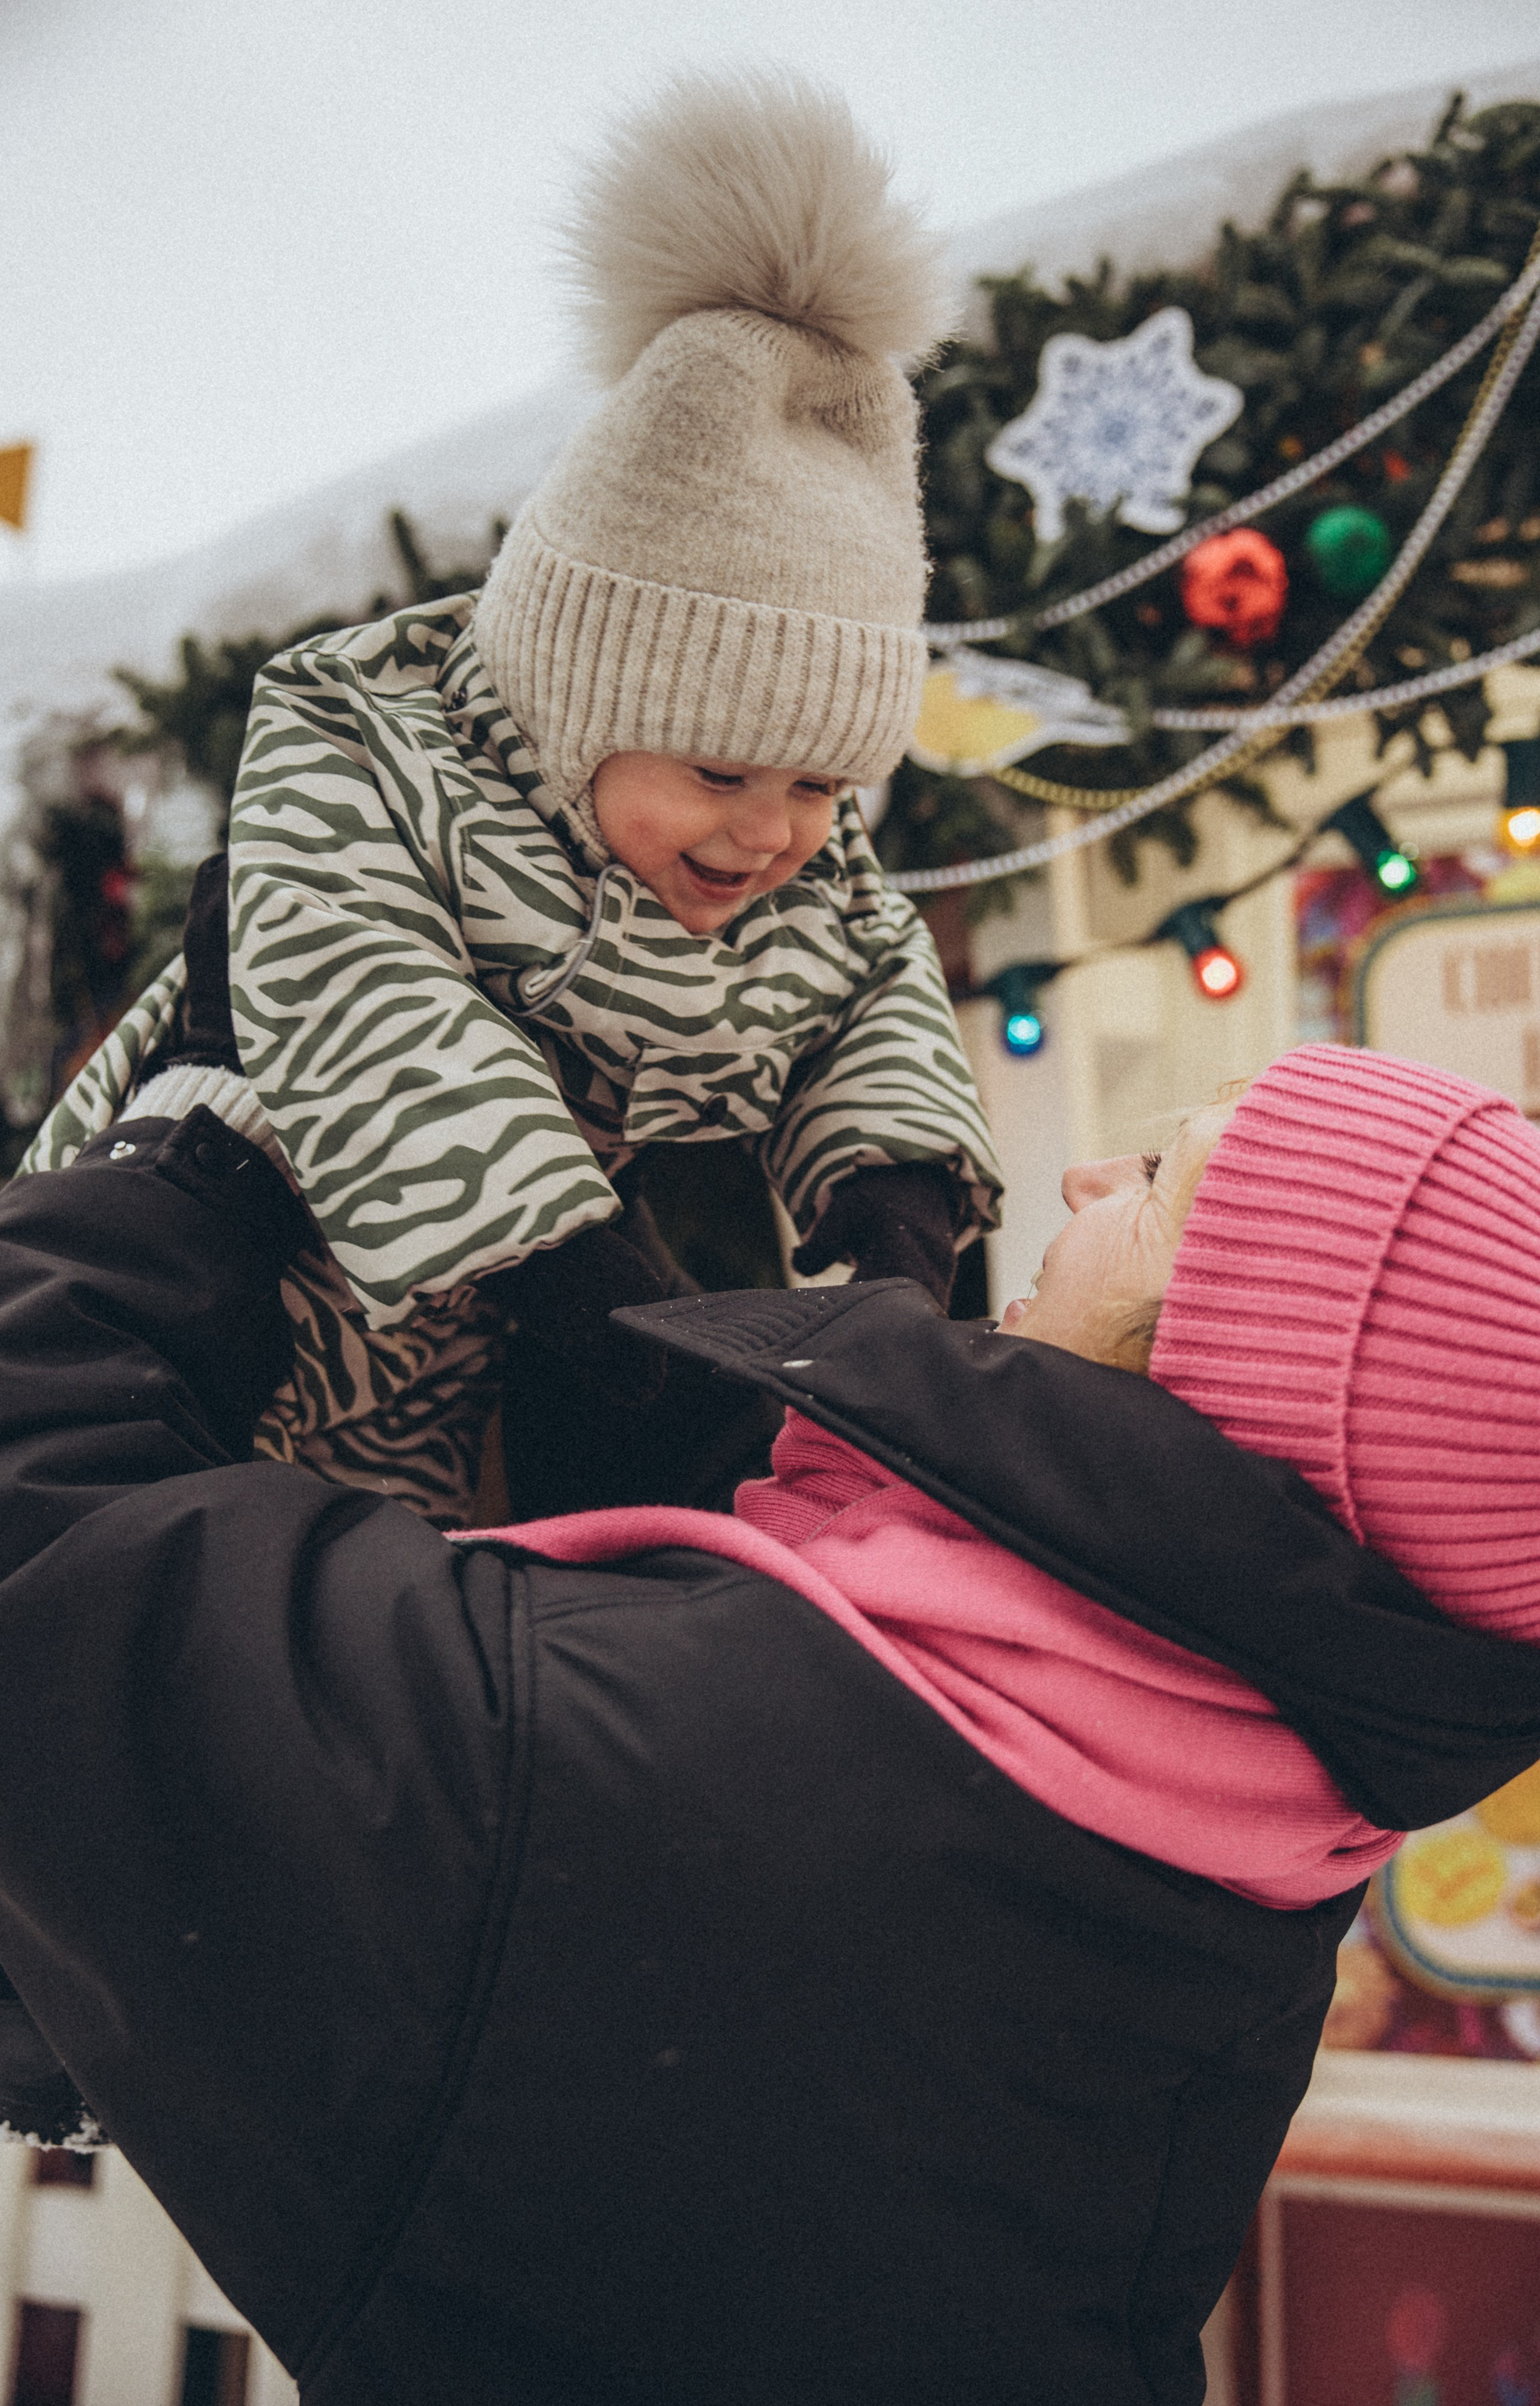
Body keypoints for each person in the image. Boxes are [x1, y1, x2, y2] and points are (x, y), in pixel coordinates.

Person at [0, 1038, 1540, 2404]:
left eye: (1165, 1182)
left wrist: (183, 1159)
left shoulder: (619, 1777)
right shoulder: (1230, 1840)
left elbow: (54, 1582)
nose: (1089, 1177)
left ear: (1230, 1377)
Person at [20, 72, 1001, 1527]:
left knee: (378, 1586)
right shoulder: (367, 747)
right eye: (716, 772)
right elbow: (362, 989)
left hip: (451, 1346)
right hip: (230, 1233)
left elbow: (871, 986)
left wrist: (893, 1215)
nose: (766, 831)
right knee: (168, 1544)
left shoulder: (800, 866)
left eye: (820, 781)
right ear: (574, 703)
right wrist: (574, 1270)